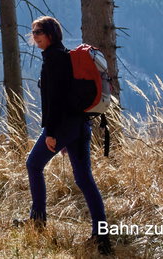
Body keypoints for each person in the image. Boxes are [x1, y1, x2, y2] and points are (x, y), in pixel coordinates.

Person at [17, 15, 112, 255]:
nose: (34, 37)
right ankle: (102, 237)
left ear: (50, 34)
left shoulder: (54, 60)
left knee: (33, 164)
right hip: (80, 125)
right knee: (84, 179)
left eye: (39, 32)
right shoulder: (65, 56)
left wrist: (51, 133)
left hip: (64, 126)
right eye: (33, 33)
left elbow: (55, 101)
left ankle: (38, 220)